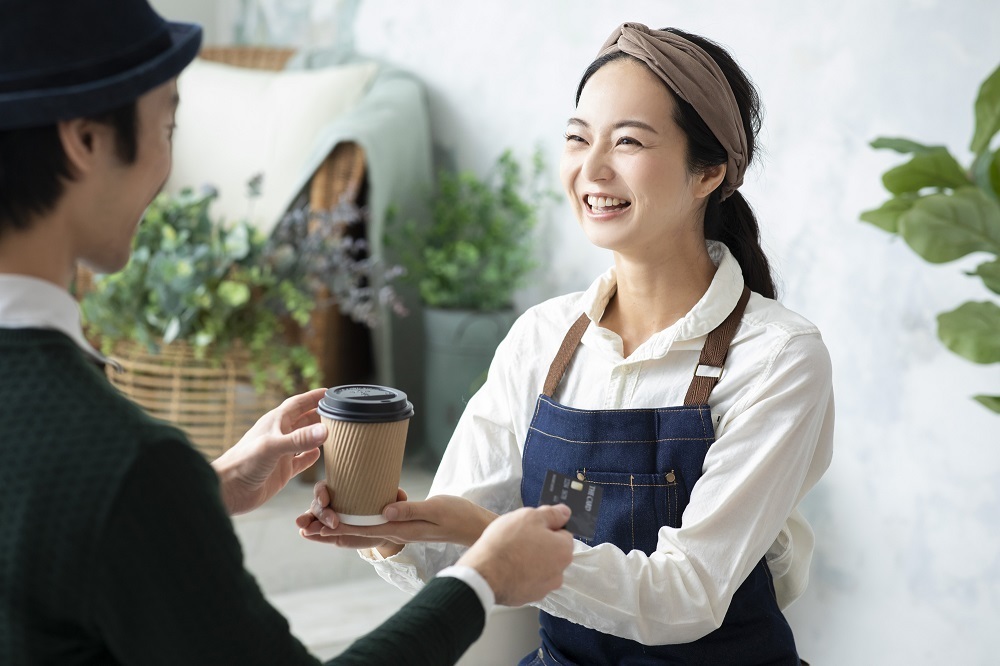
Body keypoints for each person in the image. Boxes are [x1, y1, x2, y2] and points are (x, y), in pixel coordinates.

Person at [0, 1, 575, 664]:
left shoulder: (117, 469)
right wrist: (481, 580)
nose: (167, 166)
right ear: (86, 140)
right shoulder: (124, 462)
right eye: (169, 125)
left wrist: (204, 491)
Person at [297, 22, 835, 665]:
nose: (592, 168)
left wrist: (493, 537)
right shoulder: (543, 338)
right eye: (578, 138)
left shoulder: (777, 357)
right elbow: (448, 546)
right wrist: (382, 527)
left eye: (629, 140)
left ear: (709, 174)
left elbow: (687, 595)